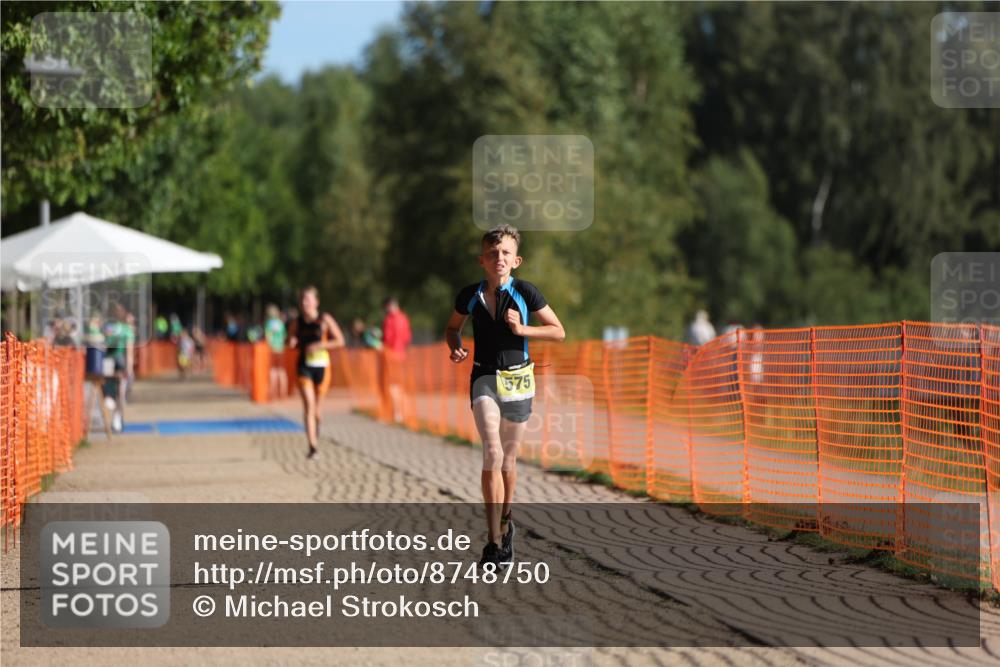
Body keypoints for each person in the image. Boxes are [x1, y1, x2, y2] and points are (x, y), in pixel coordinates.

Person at [444, 224, 565, 567]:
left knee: (509, 459)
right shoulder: (470, 294)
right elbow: (453, 328)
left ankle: (506, 520)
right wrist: (456, 347)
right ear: (482, 259)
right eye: (493, 253)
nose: (499, 258)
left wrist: (522, 329)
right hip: (483, 374)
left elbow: (558, 331)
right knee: (492, 452)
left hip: (519, 380)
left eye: (506, 253)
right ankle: (493, 542)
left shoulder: (526, 292)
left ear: (516, 260)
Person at [288, 286, 346, 459]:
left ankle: (316, 434)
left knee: (317, 412)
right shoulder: (296, 322)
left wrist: (321, 345)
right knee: (309, 406)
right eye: (302, 300)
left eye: (308, 299)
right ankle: (312, 446)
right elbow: (289, 340)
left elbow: (340, 341)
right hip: (304, 366)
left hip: (322, 367)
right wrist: (290, 341)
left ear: (316, 302)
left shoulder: (325, 319)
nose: (305, 303)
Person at [381, 296, 412, 423]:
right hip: (402, 355)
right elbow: (407, 337)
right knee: (399, 385)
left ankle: (396, 413)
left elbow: (387, 338)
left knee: (391, 385)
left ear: (389, 305)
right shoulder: (404, 318)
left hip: (390, 356)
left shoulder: (389, 319)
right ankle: (403, 412)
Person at [264, 304, 288, 399]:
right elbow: (284, 336)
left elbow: (268, 337)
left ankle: (273, 392)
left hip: (272, 349)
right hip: (281, 349)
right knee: (282, 371)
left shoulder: (269, 323)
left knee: (273, 371)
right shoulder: (280, 323)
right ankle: (283, 392)